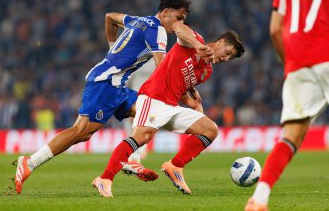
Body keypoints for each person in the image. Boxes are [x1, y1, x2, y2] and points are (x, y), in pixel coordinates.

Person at [14, 0, 213, 194]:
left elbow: (110, 17)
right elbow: (162, 69)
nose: (179, 24)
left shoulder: (137, 21)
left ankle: (133, 160)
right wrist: (185, 91)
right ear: (165, 12)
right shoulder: (158, 30)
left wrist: (113, 49)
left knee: (151, 111)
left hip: (117, 84)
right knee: (81, 132)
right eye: (178, 18)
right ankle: (29, 163)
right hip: (106, 82)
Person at [245, 0, 329, 210]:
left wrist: (290, 64)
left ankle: (259, 199)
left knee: (292, 135)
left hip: (297, 61)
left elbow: (274, 30)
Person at [92, 25, 245, 197]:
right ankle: (104, 179)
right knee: (142, 137)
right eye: (228, 52)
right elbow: (178, 27)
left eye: (230, 57)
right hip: (153, 97)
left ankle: (175, 166)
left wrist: (194, 105)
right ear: (221, 42)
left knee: (210, 129)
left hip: (171, 106)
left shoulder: (206, 71)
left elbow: (180, 89)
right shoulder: (194, 42)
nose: (225, 58)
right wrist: (197, 45)